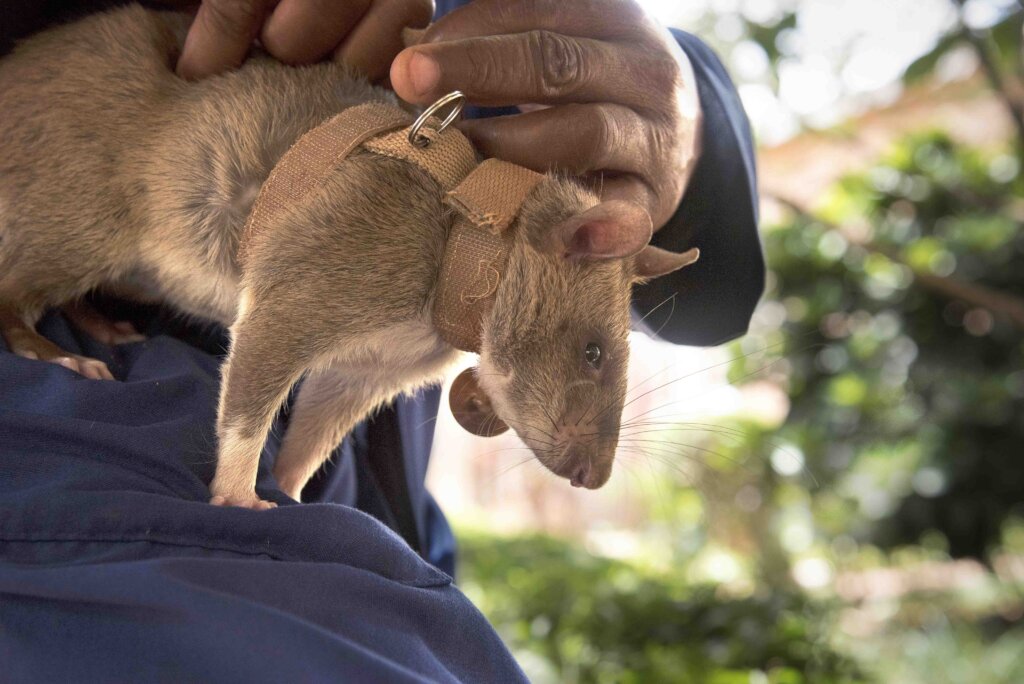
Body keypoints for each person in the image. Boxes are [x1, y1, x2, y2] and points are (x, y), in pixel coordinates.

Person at [0, 0, 763, 680]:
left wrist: (681, 110)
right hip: (86, 457)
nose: (588, 476)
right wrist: (240, 483)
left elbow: (710, 297)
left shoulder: (445, 332)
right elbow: (276, 329)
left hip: (383, 535)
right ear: (581, 237)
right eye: (592, 360)